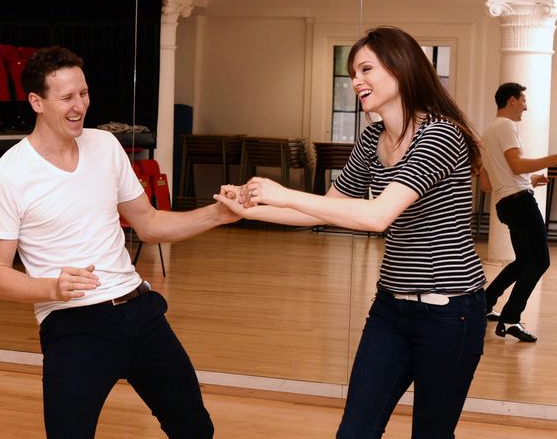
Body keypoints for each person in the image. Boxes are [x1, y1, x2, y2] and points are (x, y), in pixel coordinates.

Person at [216, 26, 486, 439]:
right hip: (390, 311)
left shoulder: (440, 135)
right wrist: (253, 210)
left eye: (365, 69)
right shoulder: (373, 137)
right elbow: (328, 209)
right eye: (352, 72)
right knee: (355, 431)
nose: (355, 80)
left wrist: (284, 194)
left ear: (401, 68)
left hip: (451, 314)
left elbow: (378, 215)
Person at [0, 46, 239, 438]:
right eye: (66, 97)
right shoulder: (8, 175)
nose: (79, 105)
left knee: (195, 428)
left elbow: (148, 224)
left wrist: (218, 214)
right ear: (36, 101)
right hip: (73, 324)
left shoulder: (104, 145)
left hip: (139, 310)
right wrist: (52, 286)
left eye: (83, 93)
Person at [479, 82, 555, 342]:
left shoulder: (487, 133)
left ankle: (485, 304)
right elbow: (516, 165)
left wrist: (530, 180)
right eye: (523, 100)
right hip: (521, 205)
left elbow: (488, 184)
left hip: (506, 204)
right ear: (512, 100)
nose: (526, 106)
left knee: (524, 261)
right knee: (540, 261)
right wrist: (553, 158)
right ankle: (510, 319)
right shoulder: (506, 126)